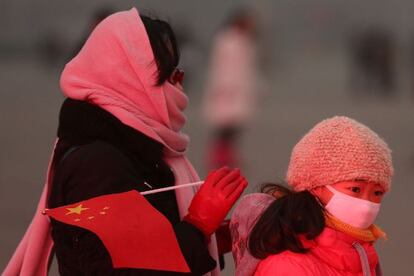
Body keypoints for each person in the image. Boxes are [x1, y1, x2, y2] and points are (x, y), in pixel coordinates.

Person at [4, 8, 247, 276]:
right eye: (171, 75)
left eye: (181, 74)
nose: (180, 87)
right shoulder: (94, 165)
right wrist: (197, 225)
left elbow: (150, 239)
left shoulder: (136, 146)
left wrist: (211, 239)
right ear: (131, 79)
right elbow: (126, 269)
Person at [231, 116, 393, 275]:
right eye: (355, 189)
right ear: (315, 186)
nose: (366, 204)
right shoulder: (287, 267)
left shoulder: (360, 251)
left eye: (377, 193)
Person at [202, 9, 259, 169]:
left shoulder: (243, 40)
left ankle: (228, 156)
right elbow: (223, 67)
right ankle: (219, 157)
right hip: (227, 90)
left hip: (238, 90)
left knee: (234, 128)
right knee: (224, 127)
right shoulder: (227, 40)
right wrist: (225, 87)